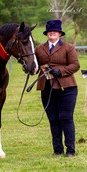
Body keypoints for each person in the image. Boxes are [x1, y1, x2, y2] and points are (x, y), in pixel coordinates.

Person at [35, 20, 80, 157]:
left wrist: (60, 71)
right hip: (47, 89)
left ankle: (70, 151)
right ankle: (57, 150)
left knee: (66, 118)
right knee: (53, 119)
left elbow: (75, 65)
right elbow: (34, 66)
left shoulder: (68, 48)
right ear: (47, 33)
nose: (52, 33)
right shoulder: (38, 49)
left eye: (55, 31)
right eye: (49, 31)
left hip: (66, 88)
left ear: (60, 33)